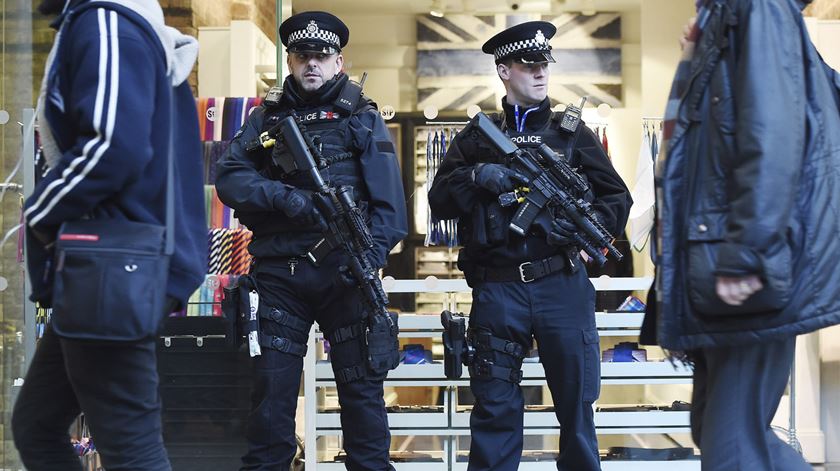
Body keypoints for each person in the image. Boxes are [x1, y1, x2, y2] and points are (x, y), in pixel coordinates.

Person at [11, 0, 207, 469]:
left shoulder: (107, 21)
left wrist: (40, 213)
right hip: (108, 264)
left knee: (130, 445)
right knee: (37, 424)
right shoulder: (114, 22)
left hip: (109, 266)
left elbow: (112, 146)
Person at [429, 21, 632, 471]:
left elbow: (617, 196)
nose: (540, 74)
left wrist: (586, 238)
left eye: (545, 66)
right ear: (504, 70)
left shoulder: (570, 132)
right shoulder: (476, 138)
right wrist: (478, 176)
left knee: (577, 410)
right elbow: (438, 199)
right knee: (495, 410)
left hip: (561, 283)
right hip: (499, 290)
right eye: (528, 66)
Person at [215, 11, 407, 471]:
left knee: (362, 399)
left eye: (322, 56)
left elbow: (390, 212)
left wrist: (367, 259)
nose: (312, 65)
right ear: (290, 61)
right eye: (303, 56)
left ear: (339, 61)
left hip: (347, 278)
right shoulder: (265, 119)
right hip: (281, 276)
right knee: (271, 399)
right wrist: (286, 199)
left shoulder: (362, 118)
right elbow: (229, 178)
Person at [651, 0, 840, 469]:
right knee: (719, 433)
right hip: (714, 259)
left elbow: (772, 135)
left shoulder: (759, 7)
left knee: (732, 447)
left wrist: (747, 253)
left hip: (738, 261)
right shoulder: (733, 15)